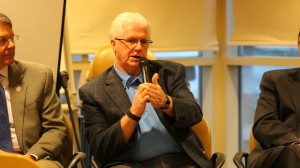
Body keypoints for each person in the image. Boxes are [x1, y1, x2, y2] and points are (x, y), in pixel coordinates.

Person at [79, 12, 212, 168]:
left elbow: (194, 114)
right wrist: (133, 114)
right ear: (113, 44)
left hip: (180, 160)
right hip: (130, 164)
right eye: (131, 41)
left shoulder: (169, 73)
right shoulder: (93, 92)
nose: (138, 48)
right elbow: (102, 149)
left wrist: (166, 102)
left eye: (144, 41)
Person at [0, 13, 67, 168]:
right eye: (2, 40)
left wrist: (30, 158)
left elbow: (56, 128)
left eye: (11, 38)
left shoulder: (39, 76)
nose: (11, 45)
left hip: (34, 158)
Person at [247, 31, 300, 168]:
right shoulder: (275, 80)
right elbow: (264, 123)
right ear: (299, 45)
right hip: (281, 152)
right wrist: (296, 143)